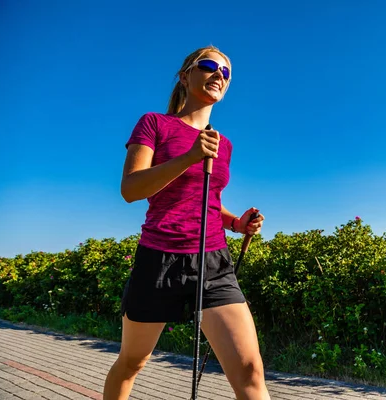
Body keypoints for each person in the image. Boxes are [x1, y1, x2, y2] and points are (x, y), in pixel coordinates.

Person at [103, 45, 270, 400]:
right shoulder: (154, 124)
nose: (219, 75)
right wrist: (190, 155)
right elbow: (131, 188)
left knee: (250, 371)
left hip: (213, 261)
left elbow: (209, 201)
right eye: (209, 66)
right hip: (159, 256)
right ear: (185, 75)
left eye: (226, 72)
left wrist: (237, 223)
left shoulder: (223, 145)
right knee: (132, 362)